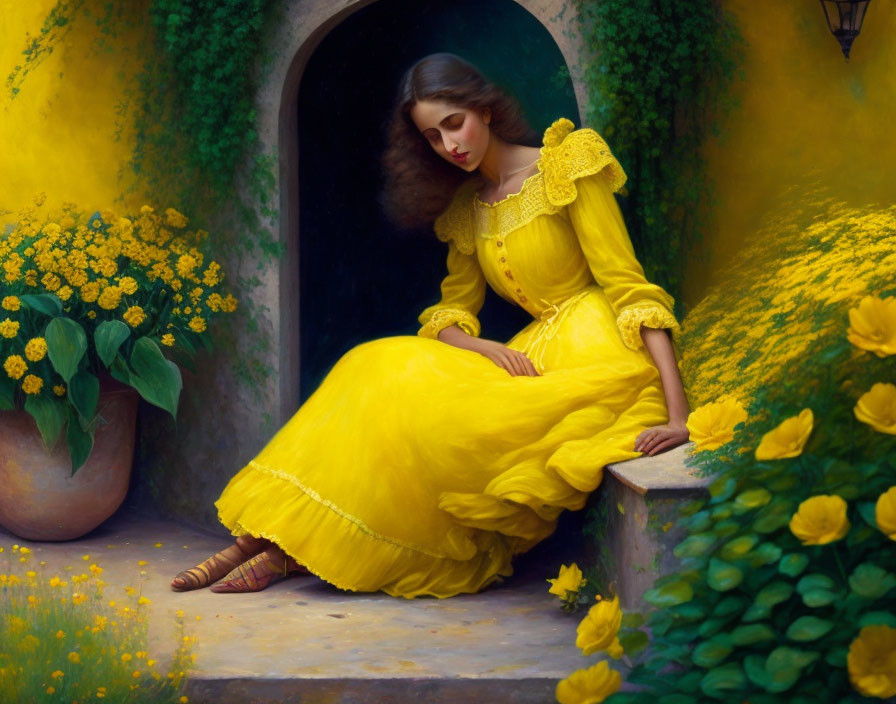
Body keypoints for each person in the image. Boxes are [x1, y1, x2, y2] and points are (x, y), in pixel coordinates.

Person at [170, 53, 690, 597]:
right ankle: (260, 540)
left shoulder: (566, 164)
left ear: (485, 110)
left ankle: (284, 551)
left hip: (596, 352)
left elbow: (629, 286)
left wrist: (678, 417)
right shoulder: (470, 206)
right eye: (434, 137)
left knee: (438, 424)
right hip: (527, 354)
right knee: (369, 366)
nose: (450, 145)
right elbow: (450, 313)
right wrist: (485, 348)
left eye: (454, 124)